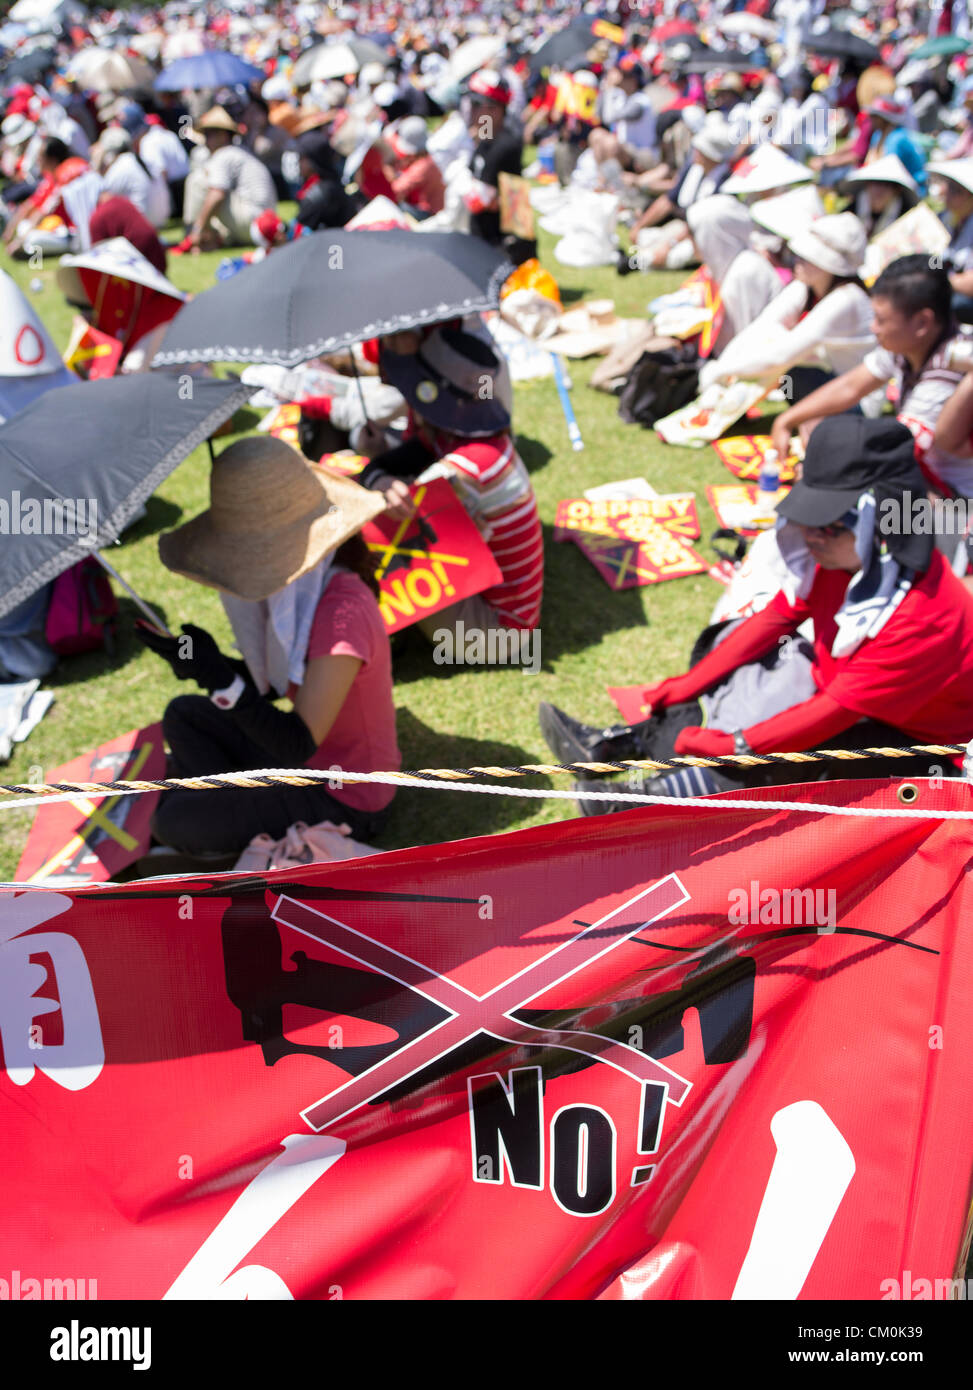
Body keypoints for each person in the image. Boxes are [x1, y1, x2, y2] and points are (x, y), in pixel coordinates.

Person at [537, 417, 973, 814]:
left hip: (915, 739)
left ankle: (648, 802)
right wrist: (690, 683)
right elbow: (777, 617)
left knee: (792, 752)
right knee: (735, 659)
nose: (810, 534)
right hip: (840, 685)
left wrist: (733, 745)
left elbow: (832, 712)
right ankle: (622, 746)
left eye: (829, 523)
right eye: (808, 514)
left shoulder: (922, 616)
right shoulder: (850, 557)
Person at [137, 438, 400, 857]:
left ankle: (225, 818)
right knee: (185, 716)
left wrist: (220, 677)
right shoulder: (302, 589)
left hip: (347, 794)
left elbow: (298, 742)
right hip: (302, 764)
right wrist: (196, 659)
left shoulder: (341, 612)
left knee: (171, 821)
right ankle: (228, 805)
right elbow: (275, 685)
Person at [358, 326, 543, 636]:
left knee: (371, 561)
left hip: (497, 631)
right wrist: (378, 475)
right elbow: (400, 459)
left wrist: (376, 481)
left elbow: (388, 526)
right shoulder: (473, 441)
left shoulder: (463, 470)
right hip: (510, 612)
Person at [771, 256, 971, 498]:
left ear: (922, 322)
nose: (873, 328)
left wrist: (824, 460)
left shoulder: (948, 373)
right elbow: (851, 386)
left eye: (881, 319)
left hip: (951, 501)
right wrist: (787, 419)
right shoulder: (913, 345)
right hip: (917, 480)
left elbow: (893, 449)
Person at [698, 212, 873, 400]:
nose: (796, 262)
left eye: (805, 257)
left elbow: (782, 355)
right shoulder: (806, 287)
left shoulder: (846, 299)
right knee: (774, 339)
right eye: (796, 255)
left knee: (793, 369)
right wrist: (721, 366)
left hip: (858, 399)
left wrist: (721, 370)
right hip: (829, 381)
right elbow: (762, 326)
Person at [182, 106, 277, 250]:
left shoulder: (224, 154)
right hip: (264, 221)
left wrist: (198, 229)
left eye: (210, 134)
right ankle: (209, 237)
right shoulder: (239, 151)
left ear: (224, 135)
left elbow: (217, 195)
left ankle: (193, 235)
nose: (206, 140)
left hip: (253, 220)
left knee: (197, 181)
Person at [293, 129, 357, 231]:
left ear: (312, 161)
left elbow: (298, 232)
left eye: (301, 158)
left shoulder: (318, 195)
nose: (298, 163)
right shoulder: (333, 181)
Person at [387, 115, 445, 216]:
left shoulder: (423, 166)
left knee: (399, 208)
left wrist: (388, 169)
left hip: (431, 214)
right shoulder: (428, 159)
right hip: (433, 210)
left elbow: (396, 190)